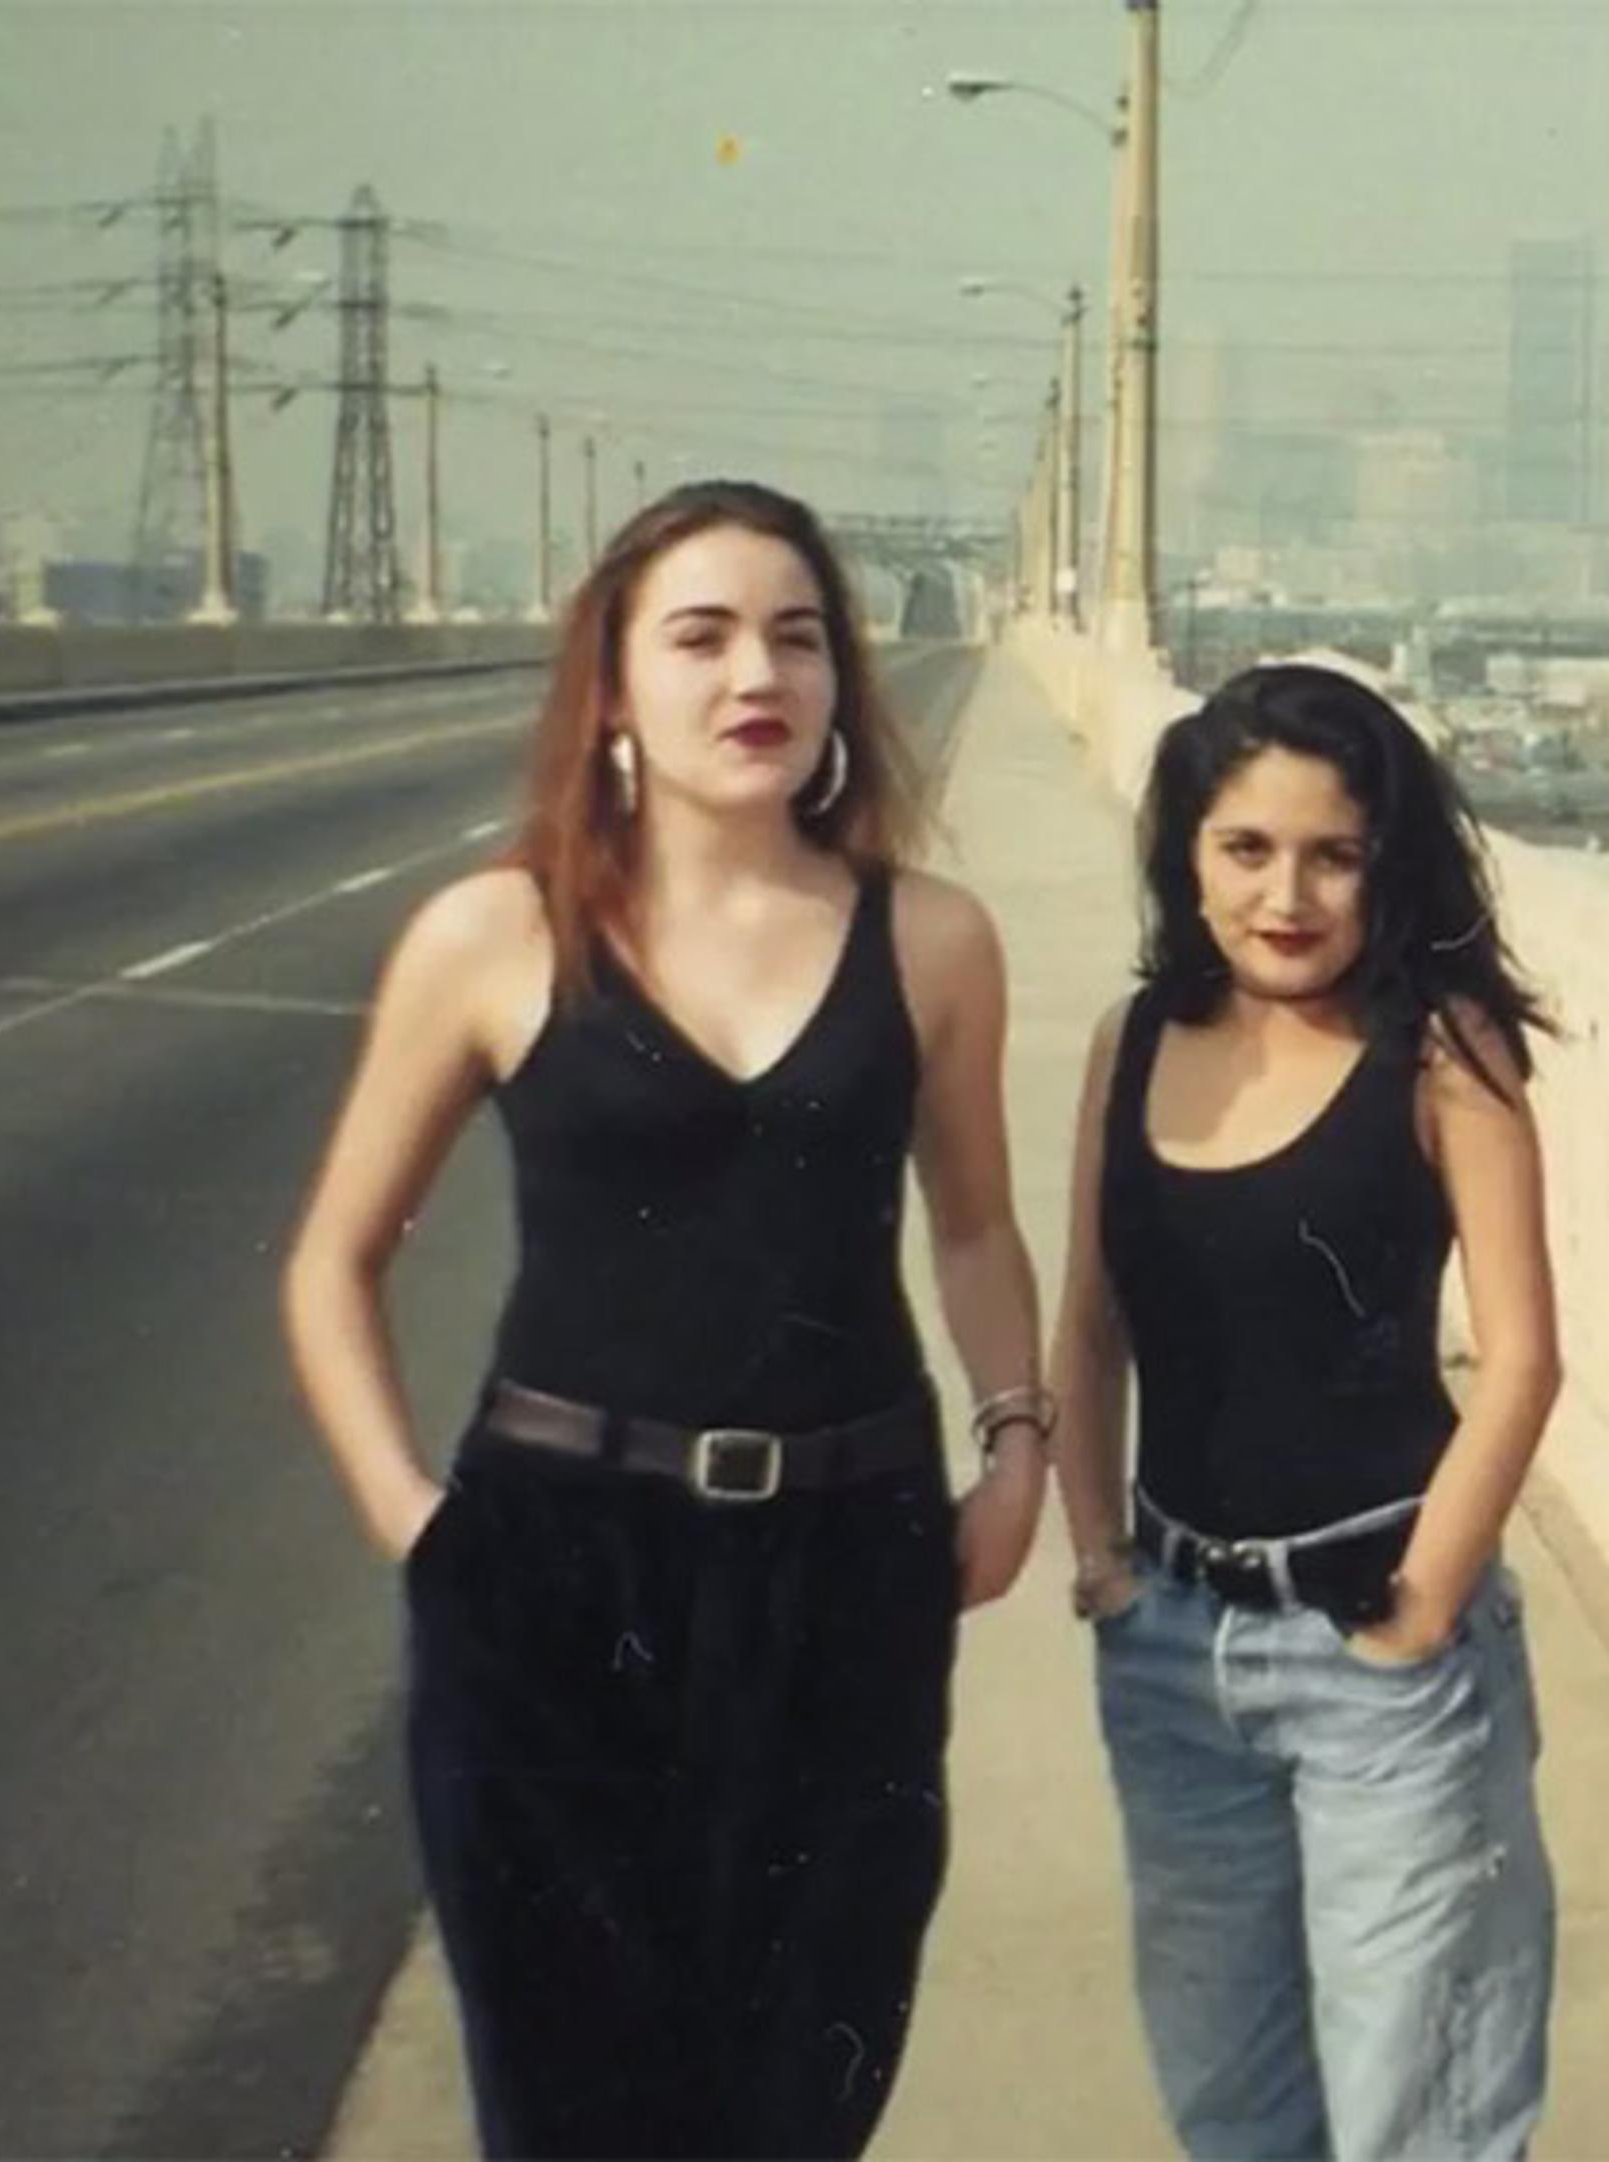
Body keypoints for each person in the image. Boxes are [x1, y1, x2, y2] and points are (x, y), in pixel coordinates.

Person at [280, 479, 1049, 2157]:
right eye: (698, 636)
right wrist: (423, 1532)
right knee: (574, 2116)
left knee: (802, 2098)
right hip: (556, 1576)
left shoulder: (931, 942)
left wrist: (1016, 1444)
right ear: (613, 688)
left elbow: (977, 1224)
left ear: (843, 681)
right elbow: (334, 1261)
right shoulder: (496, 936)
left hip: (847, 1577)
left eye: (795, 635)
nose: (753, 673)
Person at [1048, 663, 1563, 2160]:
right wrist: (1100, 1555)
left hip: (1384, 1665)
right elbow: (1089, 1324)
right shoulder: (1131, 1042)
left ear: (1384, 865)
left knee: (1426, 2117)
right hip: (1173, 1656)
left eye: (1333, 854)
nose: (1289, 894)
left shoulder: (1447, 1050)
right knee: (1234, 2108)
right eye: (1247, 849)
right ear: (1188, 857)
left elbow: (1524, 1359)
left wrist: (1416, 1614)